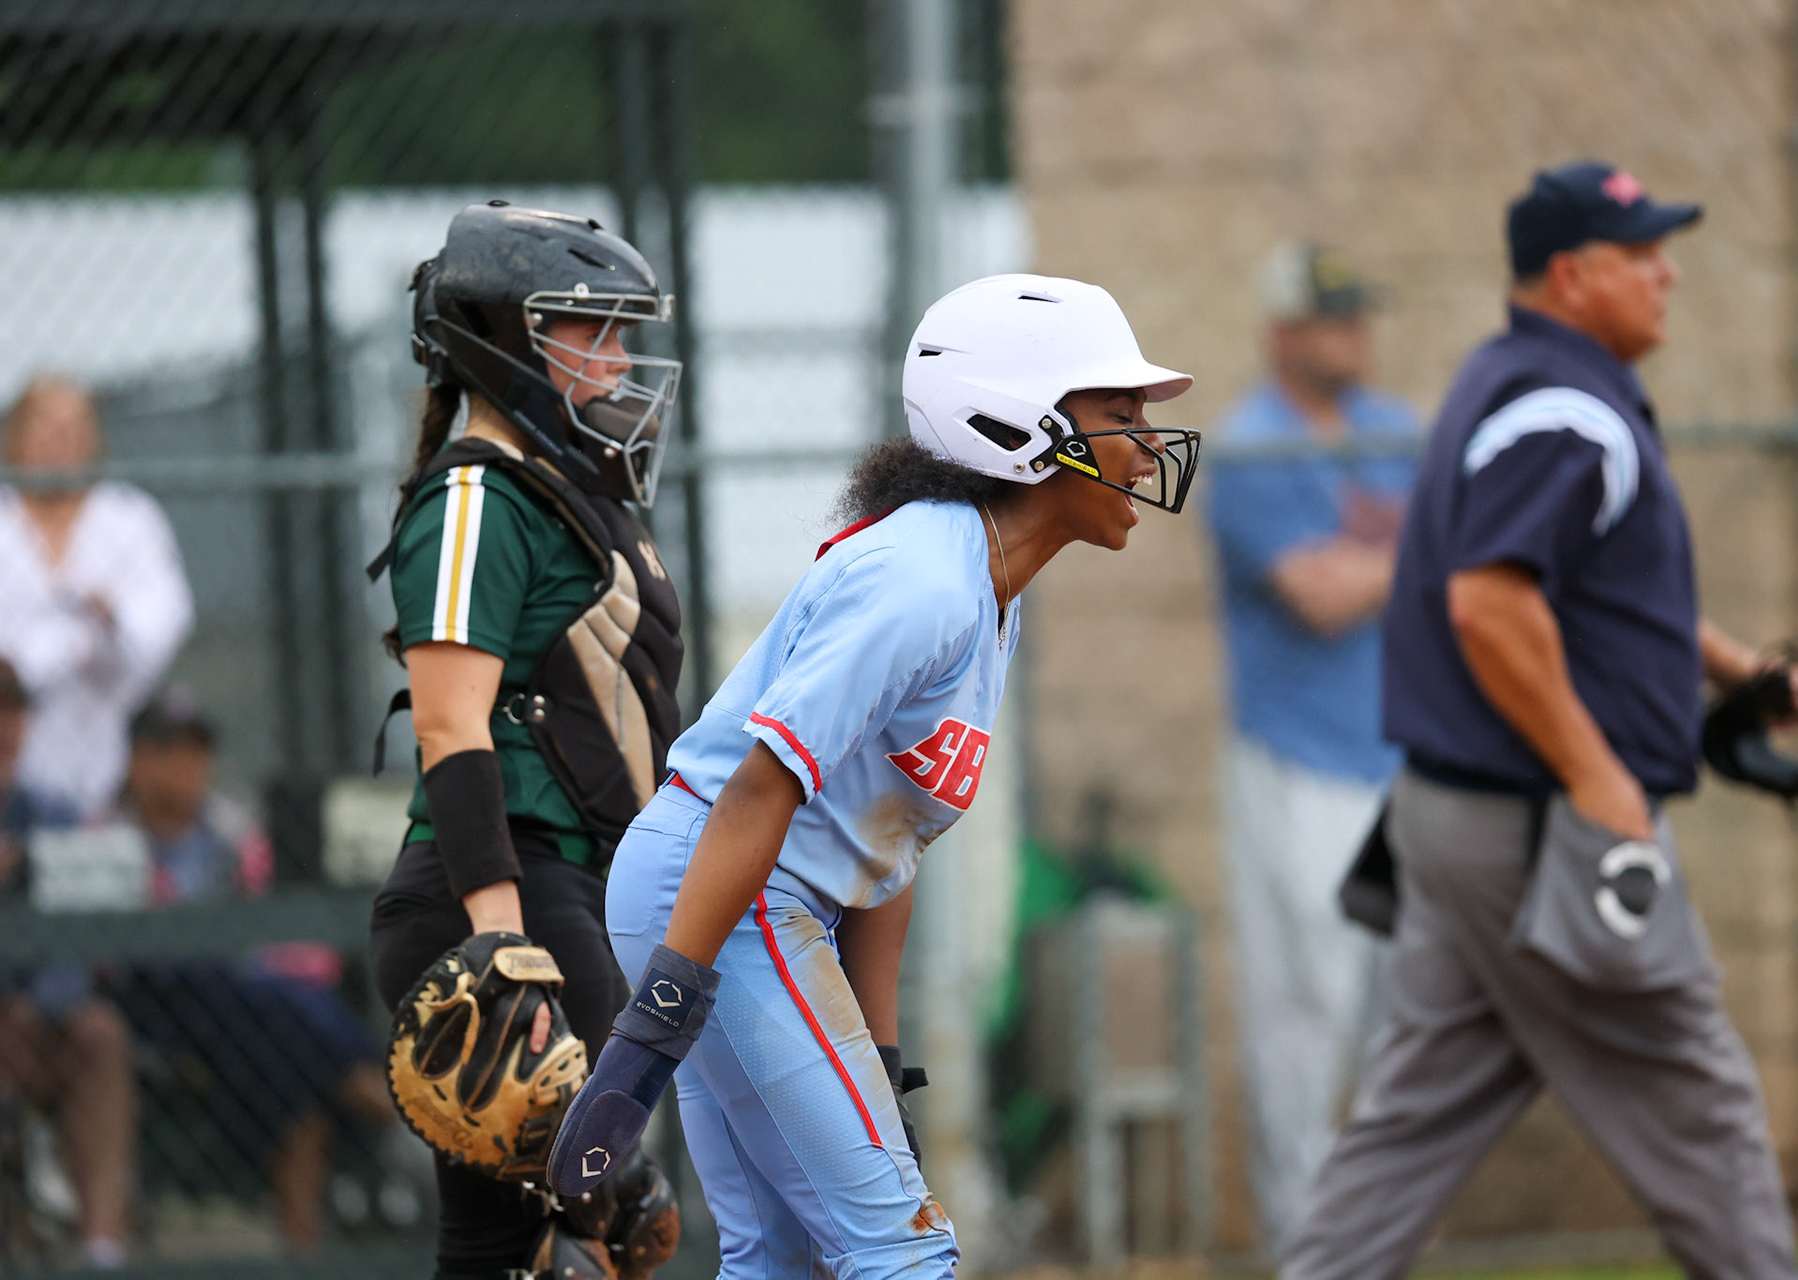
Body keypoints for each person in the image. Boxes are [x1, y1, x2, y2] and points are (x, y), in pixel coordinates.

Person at [545, 272, 1204, 1280]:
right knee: (905, 1256)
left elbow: (887, 845)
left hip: (744, 893)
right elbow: (761, 790)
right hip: (729, 890)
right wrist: (653, 1026)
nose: (1147, 443)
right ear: (1021, 425)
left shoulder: (984, 580)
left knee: (781, 1257)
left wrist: (879, 1060)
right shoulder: (923, 580)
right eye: (1120, 412)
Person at [1284, 162, 1798, 1278]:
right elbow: (1492, 600)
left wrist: (1734, 669)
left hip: (1460, 811)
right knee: (1695, 1098)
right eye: (1642, 251)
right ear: (1572, 274)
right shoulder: (1565, 410)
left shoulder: (1512, 379)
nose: (1669, 272)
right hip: (1541, 822)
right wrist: (1598, 775)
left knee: (1411, 1123)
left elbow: (1588, 592)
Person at [365, 202, 687, 1279]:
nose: (619, 355)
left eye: (622, 330)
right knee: (518, 1247)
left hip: (571, 893)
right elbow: (452, 723)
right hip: (502, 901)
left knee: (605, 1230)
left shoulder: (567, 491)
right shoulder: (471, 493)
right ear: (498, 338)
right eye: (586, 327)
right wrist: (503, 945)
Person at [1203, 242, 1419, 1255]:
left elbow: (1461, 555)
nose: (1353, 334)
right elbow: (1320, 595)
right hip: (1295, 764)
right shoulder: (1254, 443)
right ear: (1283, 331)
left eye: (1357, 315)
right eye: (1332, 318)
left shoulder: (1394, 429)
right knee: (1306, 1012)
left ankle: (1377, 1237)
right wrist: (1416, 551)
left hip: (1401, 761)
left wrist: (1391, 558)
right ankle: (1308, 1248)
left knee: (1401, 1015)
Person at [111, 687, 395, 1255]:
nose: (189, 766)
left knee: (288, 1049)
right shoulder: (107, 838)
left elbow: (294, 946)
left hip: (251, 1008)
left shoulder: (233, 834)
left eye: (197, 751)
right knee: (274, 1011)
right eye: (169, 751)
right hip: (161, 1004)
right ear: (137, 761)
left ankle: (302, 1246)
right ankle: (390, 1108)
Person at [0, 376, 194, 817]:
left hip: (113, 740)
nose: (58, 442)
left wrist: (112, 618)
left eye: (71, 429)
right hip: (12, 753)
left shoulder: (129, 517)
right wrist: (54, 648)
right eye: (45, 428)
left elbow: (168, 614)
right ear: (16, 437)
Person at [0, 658, 137, 1269]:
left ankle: (99, 1245)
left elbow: (77, 949)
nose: (6, 724)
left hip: (35, 1027)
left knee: (100, 1035)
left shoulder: (49, 816)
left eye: (14, 708)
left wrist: (35, 1006)